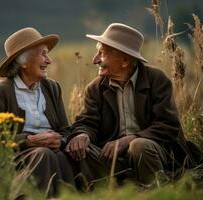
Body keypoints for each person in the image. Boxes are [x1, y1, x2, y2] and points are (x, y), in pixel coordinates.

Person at [65, 23, 201, 187]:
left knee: (138, 146)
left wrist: (130, 140)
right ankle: (109, 191)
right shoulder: (95, 89)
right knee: (80, 150)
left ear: (124, 61)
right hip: (114, 157)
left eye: (102, 53)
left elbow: (168, 125)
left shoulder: (157, 80)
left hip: (154, 152)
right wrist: (82, 134)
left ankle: (157, 190)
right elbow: (87, 121)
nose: (95, 60)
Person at [0, 27, 75, 197]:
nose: (48, 60)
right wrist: (30, 141)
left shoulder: (52, 88)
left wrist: (60, 141)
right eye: (43, 54)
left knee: (61, 157)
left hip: (46, 154)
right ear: (23, 62)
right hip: (11, 156)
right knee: (44, 154)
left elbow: (65, 129)